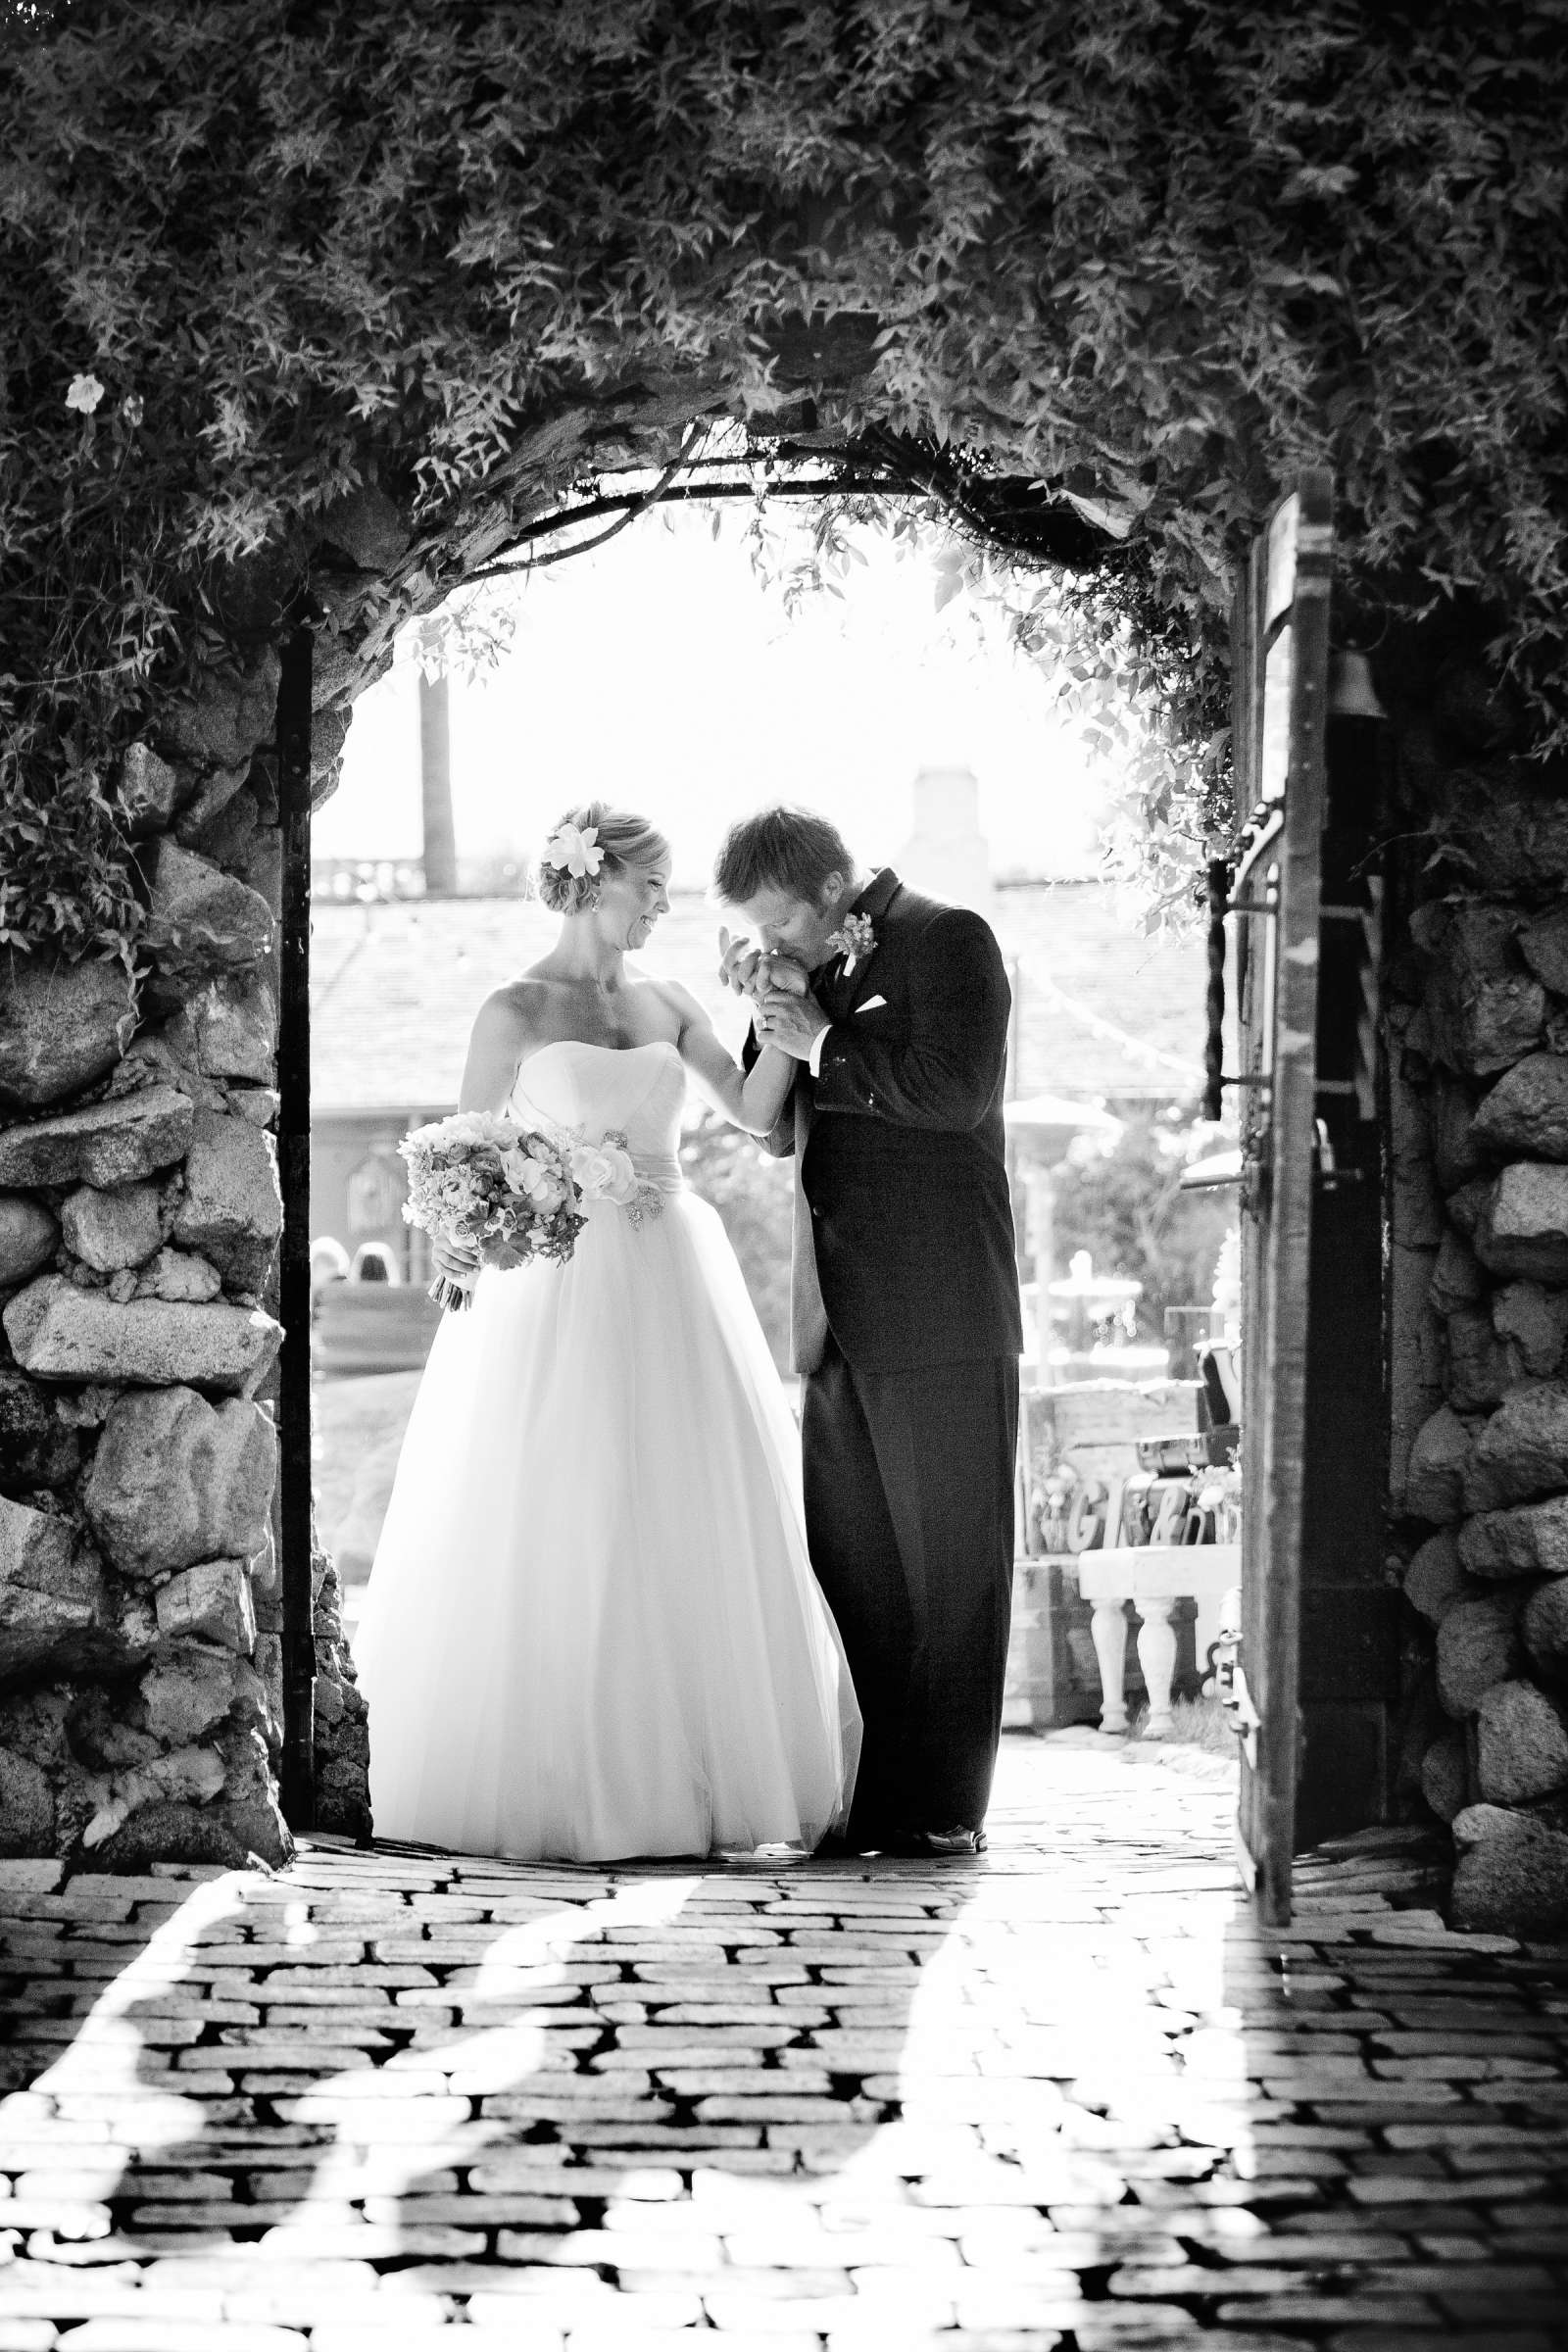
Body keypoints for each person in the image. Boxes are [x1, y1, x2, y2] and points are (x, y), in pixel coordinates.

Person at [352, 802, 859, 1864]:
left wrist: (784, 1013)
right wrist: (456, 1242)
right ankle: (562, 1776)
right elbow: (461, 1155)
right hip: (555, 1282)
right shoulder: (514, 1011)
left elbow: (759, 1114)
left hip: (673, 1273)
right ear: (593, 882)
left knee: (683, 1509)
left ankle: (689, 1776)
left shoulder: (671, 1001)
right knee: (566, 1510)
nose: (666, 908)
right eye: (654, 887)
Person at [713, 808, 1022, 1858]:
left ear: (831, 889)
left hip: (941, 1308)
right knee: (857, 1567)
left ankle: (943, 1809)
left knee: (952, 1570)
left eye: (777, 928)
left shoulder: (951, 940)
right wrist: (774, 1014)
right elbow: (769, 1126)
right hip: (832, 1315)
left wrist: (828, 1041)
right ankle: (881, 1794)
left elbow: (956, 1091)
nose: (772, 945)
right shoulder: (796, 976)